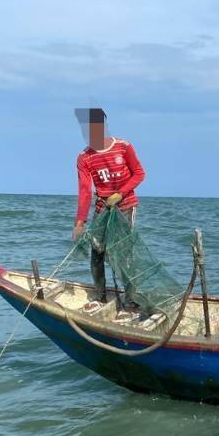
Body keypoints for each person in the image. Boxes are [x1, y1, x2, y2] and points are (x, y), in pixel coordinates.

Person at [72, 108, 146, 308]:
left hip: (125, 205)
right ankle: (99, 296)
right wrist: (80, 222)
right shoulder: (84, 157)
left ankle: (130, 301)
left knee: (123, 253)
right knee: (97, 251)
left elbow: (139, 173)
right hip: (102, 209)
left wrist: (120, 193)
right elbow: (85, 191)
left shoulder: (123, 147)